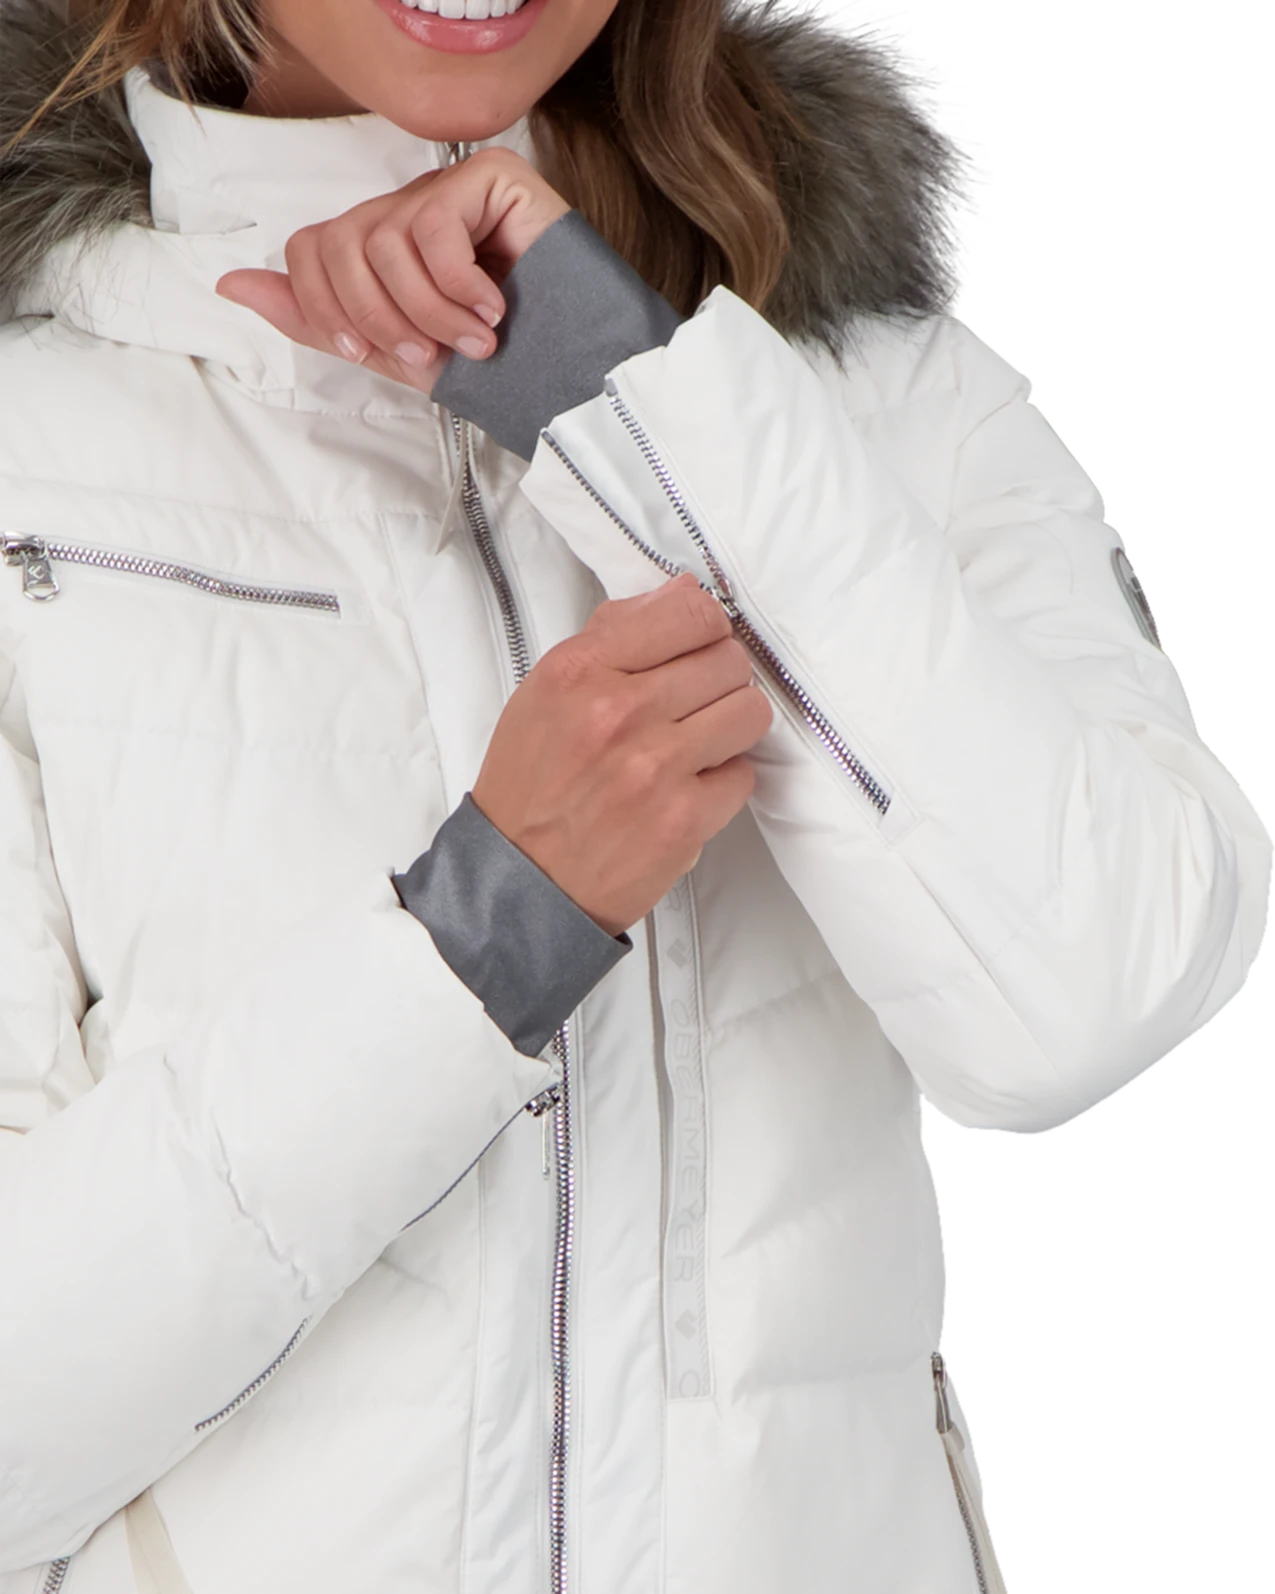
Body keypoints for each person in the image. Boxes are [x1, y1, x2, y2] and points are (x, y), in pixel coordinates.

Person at [0, 0, 1268, 1590]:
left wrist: (627, 397)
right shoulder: (31, 449)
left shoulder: (886, 395)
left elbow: (1085, 999)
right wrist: (486, 933)